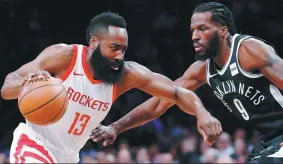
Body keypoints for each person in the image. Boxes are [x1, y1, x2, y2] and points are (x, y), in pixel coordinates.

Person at [0, 12, 222, 163]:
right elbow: (8, 85)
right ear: (95, 43)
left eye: (124, 50)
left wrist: (201, 112)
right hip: (35, 143)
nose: (119, 56)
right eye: (114, 48)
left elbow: (175, 91)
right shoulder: (65, 56)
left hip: (69, 156)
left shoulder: (126, 74)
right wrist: (26, 85)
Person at [91, 2, 283, 163]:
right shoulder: (201, 70)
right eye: (193, 30)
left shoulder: (250, 50)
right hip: (268, 140)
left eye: (203, 29)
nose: (194, 36)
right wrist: (116, 127)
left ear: (223, 31)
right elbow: (160, 102)